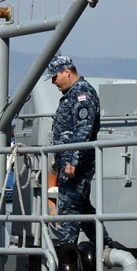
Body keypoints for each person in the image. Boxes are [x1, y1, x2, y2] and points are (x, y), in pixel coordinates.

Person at [47, 55, 115, 249]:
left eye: (55, 77)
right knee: (82, 208)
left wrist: (73, 160)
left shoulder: (82, 93)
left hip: (78, 163)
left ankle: (66, 256)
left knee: (69, 208)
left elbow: (83, 129)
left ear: (67, 72)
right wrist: (58, 157)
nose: (53, 82)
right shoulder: (71, 94)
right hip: (67, 159)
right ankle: (107, 245)